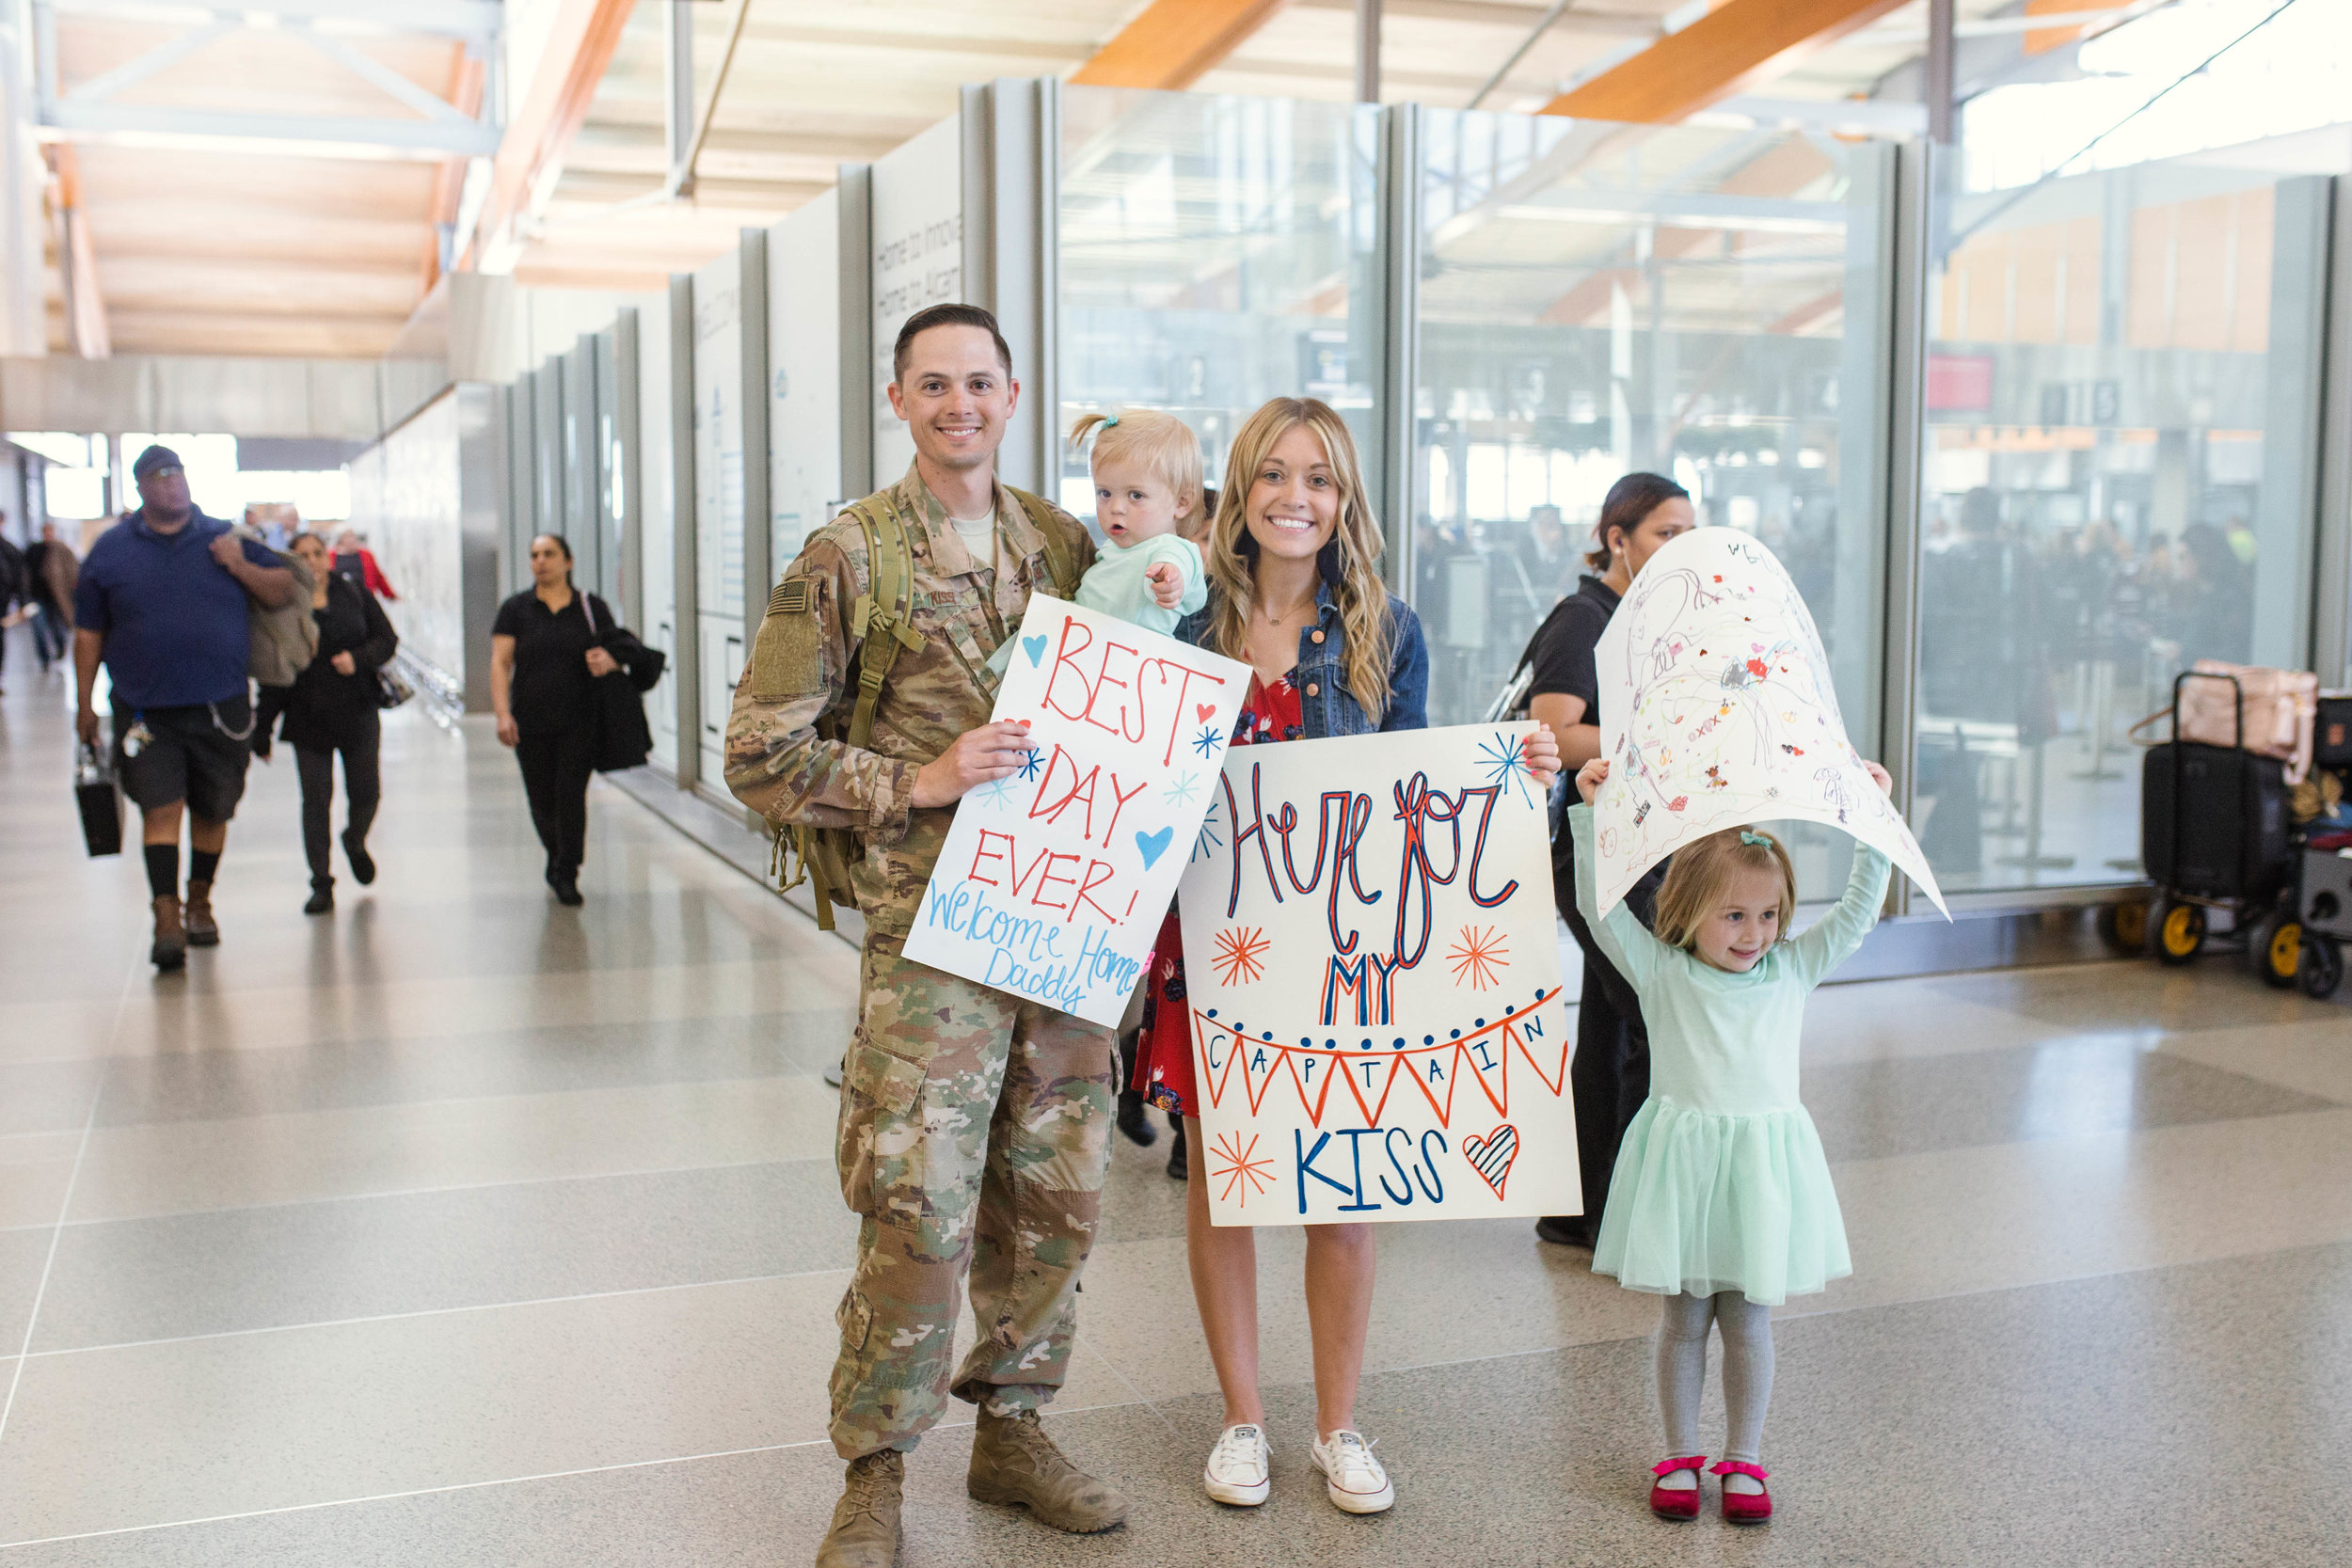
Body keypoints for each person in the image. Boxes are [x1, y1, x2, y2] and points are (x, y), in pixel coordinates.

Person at [725, 303, 1181, 1568]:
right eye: (934, 384)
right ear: (900, 399)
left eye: (978, 381)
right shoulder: (851, 552)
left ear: (1013, 391)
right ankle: (874, 1467)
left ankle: (1015, 1424)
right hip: (931, 942)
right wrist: (916, 779)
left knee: (1058, 1197)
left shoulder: (1065, 535)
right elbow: (757, 751)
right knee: (917, 1209)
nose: (958, 403)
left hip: (1062, 929)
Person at [1134, 396, 1555, 1519]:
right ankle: (1241, 1421)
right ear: (1241, 490)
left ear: (1344, 499)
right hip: (1219, 942)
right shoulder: (1187, 627)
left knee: (1343, 1186)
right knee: (1227, 1182)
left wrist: (1519, 776)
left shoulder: (1385, 628)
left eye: (1318, 478)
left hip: (1342, 951)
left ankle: (1335, 1424)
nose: (1293, 496)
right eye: (1272, 474)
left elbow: (1414, 787)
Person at [1566, 755, 1893, 1526]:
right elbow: (1598, 906)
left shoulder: (1793, 969)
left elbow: (1854, 915)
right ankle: (1679, 1452)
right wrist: (1589, 814)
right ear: (1687, 910)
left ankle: (1744, 1456)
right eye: (1733, 916)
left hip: (1757, 1176)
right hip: (1686, 1171)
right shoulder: (1661, 971)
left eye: (1769, 914)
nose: (1755, 934)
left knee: (1747, 1320)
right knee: (1683, 1318)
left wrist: (1872, 825)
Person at [1520, 473, 1693, 1250]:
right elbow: (1551, 732)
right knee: (1653, 1014)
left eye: (1689, 533)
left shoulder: (1649, 621)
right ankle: (1633, 1214)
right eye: (1664, 533)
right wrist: (1656, 743)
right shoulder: (1584, 617)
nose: (1679, 549)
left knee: (1610, 1024)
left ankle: (1579, 1208)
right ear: (1617, 537)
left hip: (1641, 844)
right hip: (1587, 848)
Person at [73, 444, 296, 969]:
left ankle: (200, 901)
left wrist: (239, 566)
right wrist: (83, 704)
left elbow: (284, 590)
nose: (171, 483)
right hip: (144, 709)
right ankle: (166, 914)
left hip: (222, 706)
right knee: (161, 806)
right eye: (158, 476)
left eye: (177, 473)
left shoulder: (225, 537)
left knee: (214, 809)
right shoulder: (110, 551)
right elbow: (88, 632)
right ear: (141, 487)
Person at [269, 531, 397, 914]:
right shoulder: (287, 603)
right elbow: (275, 667)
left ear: (328, 557)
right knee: (316, 801)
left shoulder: (353, 591)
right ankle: (321, 882)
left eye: (317, 553)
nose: (312, 561)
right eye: (302, 555)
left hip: (357, 708)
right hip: (308, 714)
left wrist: (357, 659)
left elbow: (387, 639)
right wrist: (260, 728)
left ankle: (354, 839)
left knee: (367, 792)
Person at [489, 534, 620, 907]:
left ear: (569, 560)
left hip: (580, 719)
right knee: (542, 799)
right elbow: (500, 663)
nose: (541, 561)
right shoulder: (516, 608)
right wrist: (502, 713)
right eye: (534, 555)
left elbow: (618, 647)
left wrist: (609, 661)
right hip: (530, 721)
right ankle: (556, 853)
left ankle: (567, 870)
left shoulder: (590, 607)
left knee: (570, 794)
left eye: (549, 554)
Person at [24, 520, 78, 673]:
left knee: (56, 627)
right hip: (36, 596)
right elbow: (25, 571)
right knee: (38, 628)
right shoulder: (34, 550)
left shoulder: (61, 549)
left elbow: (72, 570)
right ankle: (44, 659)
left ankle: (60, 648)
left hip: (55, 597)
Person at [333, 528, 398, 600]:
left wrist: (390, 595)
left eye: (352, 536)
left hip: (364, 596)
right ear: (340, 540)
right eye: (347, 536)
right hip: (341, 597)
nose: (350, 539)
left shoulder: (366, 554)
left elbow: (377, 576)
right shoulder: (331, 555)